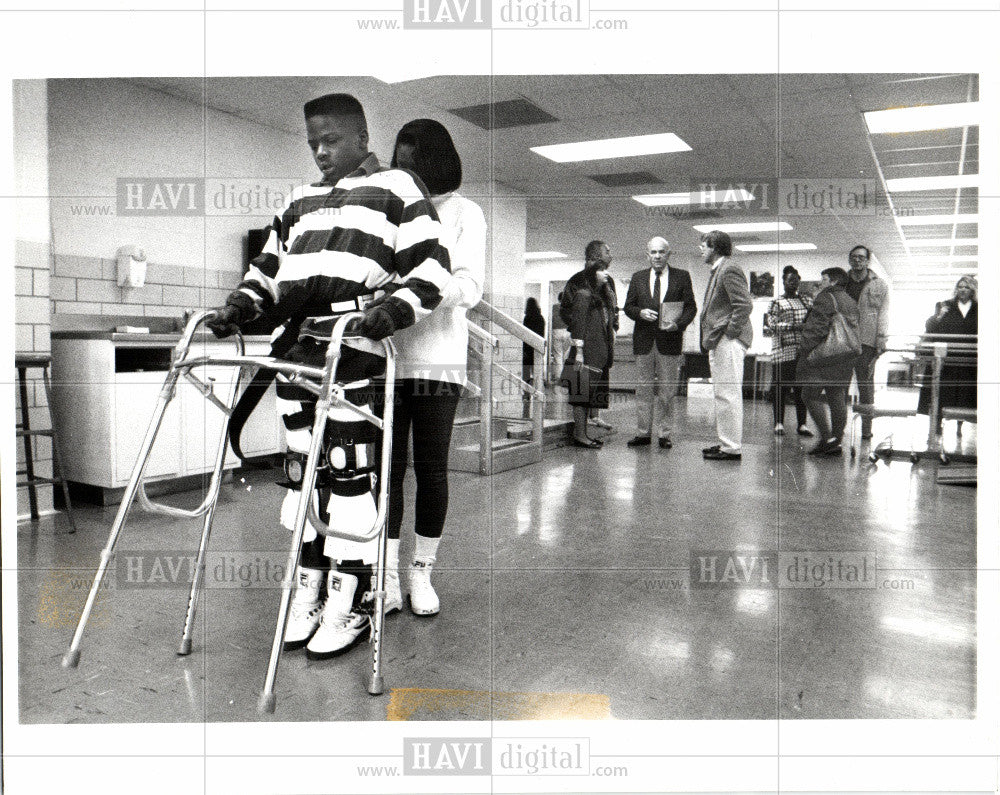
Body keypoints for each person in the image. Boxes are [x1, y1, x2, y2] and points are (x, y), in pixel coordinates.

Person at [206, 94, 453, 659]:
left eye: (331, 140)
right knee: (303, 478)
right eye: (312, 141)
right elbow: (266, 271)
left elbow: (432, 271)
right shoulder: (299, 201)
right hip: (297, 350)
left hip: (355, 346)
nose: (320, 151)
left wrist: (389, 313)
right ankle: (308, 595)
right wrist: (239, 307)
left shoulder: (398, 190)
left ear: (363, 136)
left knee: (349, 477)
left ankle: (353, 604)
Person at [379, 118, 487, 618]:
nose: (405, 176)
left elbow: (469, 288)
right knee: (386, 471)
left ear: (437, 164)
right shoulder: (390, 209)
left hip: (438, 361)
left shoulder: (465, 213)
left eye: (413, 166)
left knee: (430, 470)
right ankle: (383, 572)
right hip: (386, 357)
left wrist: (414, 295)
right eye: (398, 166)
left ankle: (420, 572)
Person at [623, 236, 697, 449]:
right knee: (643, 389)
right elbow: (628, 307)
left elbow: (691, 307)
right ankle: (643, 433)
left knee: (667, 390)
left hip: (670, 340)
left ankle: (665, 434)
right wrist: (639, 312)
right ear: (647, 255)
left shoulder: (682, 277)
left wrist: (678, 325)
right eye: (653, 252)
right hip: (644, 341)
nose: (657, 256)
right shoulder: (637, 278)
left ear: (668, 254)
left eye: (661, 252)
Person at [698, 230, 753, 461]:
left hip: (728, 339)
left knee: (728, 394)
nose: (701, 249)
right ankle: (726, 443)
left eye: (704, 245)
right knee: (723, 393)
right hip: (720, 339)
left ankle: (731, 447)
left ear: (715, 247)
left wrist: (730, 332)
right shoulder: (719, 269)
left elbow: (744, 305)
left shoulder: (728, 268)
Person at [796, 267, 861, 456]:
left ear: (833, 281)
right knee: (837, 395)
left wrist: (805, 349)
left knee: (808, 395)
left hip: (824, 355)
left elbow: (817, 328)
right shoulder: (850, 301)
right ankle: (837, 440)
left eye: (823, 279)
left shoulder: (826, 297)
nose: (820, 282)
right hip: (845, 356)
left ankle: (827, 439)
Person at [560, 241, 617, 449]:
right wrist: (579, 335)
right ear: (596, 256)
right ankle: (580, 434)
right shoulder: (579, 281)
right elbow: (570, 310)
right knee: (581, 388)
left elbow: (611, 309)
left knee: (591, 387)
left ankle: (588, 426)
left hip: (601, 343)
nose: (611, 255)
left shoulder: (608, 282)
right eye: (607, 251)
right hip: (585, 343)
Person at [917, 275, 978, 434]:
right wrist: (939, 316)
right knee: (942, 391)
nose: (962, 290)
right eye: (960, 286)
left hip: (969, 359)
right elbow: (930, 326)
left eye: (966, 287)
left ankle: (960, 425)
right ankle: (937, 425)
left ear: (972, 290)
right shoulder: (945, 305)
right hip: (947, 359)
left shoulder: (979, 308)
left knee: (964, 393)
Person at [844, 245, 890, 439]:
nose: (857, 260)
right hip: (844, 340)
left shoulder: (879, 284)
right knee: (839, 385)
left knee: (865, 385)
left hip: (867, 342)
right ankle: (838, 431)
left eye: (861, 258)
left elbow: (884, 314)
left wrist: (881, 340)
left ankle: (866, 429)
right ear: (849, 260)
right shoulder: (842, 283)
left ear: (867, 261)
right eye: (853, 257)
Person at [764, 265, 813, 437]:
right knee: (780, 389)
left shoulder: (807, 301)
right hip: (782, 351)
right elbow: (771, 325)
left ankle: (802, 424)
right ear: (783, 282)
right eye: (790, 280)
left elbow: (813, 322)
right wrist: (795, 326)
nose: (793, 283)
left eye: (796, 280)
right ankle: (778, 423)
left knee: (801, 389)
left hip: (802, 351)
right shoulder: (776, 302)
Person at [522, 297, 546, 419]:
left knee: (526, 374)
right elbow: (541, 334)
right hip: (537, 349)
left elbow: (524, 334)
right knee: (537, 373)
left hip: (527, 349)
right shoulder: (541, 318)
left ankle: (526, 394)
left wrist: (524, 350)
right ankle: (539, 392)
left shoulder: (527, 318)